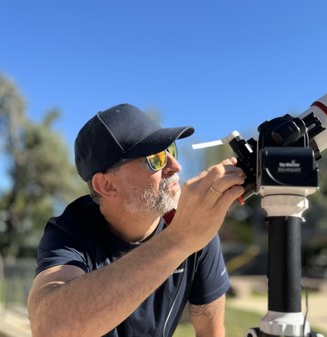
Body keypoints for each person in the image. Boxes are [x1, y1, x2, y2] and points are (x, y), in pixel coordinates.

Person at [27, 103, 245, 337]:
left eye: (170, 150)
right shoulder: (71, 231)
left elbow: (211, 330)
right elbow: (49, 327)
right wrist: (179, 240)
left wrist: (185, 235)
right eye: (155, 158)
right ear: (107, 185)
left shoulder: (194, 228)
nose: (175, 166)